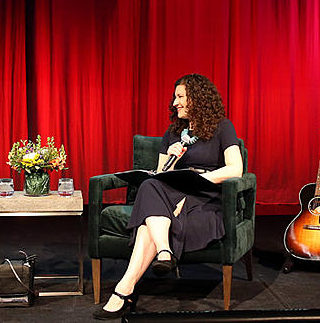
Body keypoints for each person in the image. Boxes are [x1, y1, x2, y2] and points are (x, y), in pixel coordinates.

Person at [93, 73, 243, 319]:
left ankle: (124, 290)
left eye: (180, 96)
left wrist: (197, 180)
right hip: (171, 196)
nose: (175, 103)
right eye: (175, 97)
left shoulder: (222, 127)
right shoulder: (174, 133)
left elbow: (235, 169)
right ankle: (164, 251)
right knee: (150, 185)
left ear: (198, 98)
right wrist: (173, 161)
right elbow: (160, 175)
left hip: (206, 199)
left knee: (146, 227)